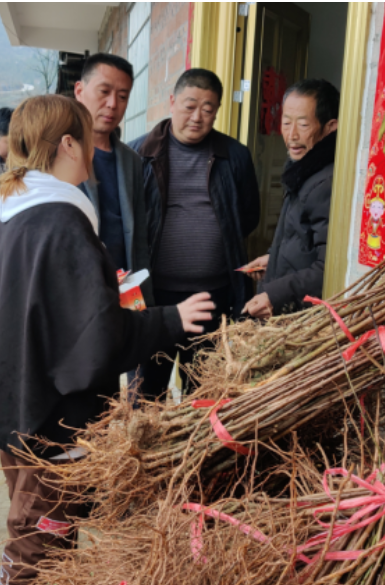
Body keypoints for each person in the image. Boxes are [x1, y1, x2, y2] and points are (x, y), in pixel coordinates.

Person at [0, 94, 214, 585]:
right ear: (66, 145)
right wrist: (171, 319)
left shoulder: (14, 212)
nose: (94, 153)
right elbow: (94, 340)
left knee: (31, 523)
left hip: (13, 404)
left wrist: (100, 289)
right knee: (39, 541)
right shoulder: (61, 220)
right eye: (87, 139)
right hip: (52, 421)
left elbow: (38, 311)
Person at [129, 67, 260, 397]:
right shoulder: (137, 155)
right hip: (154, 301)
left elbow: (248, 217)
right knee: (146, 397)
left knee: (204, 395)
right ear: (172, 102)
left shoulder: (236, 156)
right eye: (190, 105)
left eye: (208, 108)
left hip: (213, 298)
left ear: (217, 111)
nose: (198, 116)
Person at [242, 78, 339, 318]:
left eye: (303, 124)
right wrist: (273, 261)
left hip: (302, 318)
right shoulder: (303, 171)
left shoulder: (325, 183)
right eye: (286, 123)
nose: (291, 135)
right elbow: (301, 241)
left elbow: (328, 268)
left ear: (330, 127)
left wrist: (275, 295)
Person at [74, 53, 152, 302]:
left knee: (125, 339)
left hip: (125, 285)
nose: (112, 104)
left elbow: (138, 237)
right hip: (78, 288)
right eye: (104, 92)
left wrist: (141, 301)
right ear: (79, 90)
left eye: (122, 97)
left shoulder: (131, 160)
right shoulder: (59, 154)